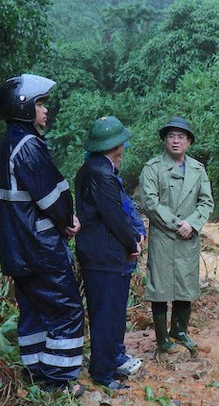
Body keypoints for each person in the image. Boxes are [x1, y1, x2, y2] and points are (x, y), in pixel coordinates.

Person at [0, 73, 85, 396]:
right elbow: (53, 199)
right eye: (41, 104)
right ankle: (58, 384)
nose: (45, 110)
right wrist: (68, 219)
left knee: (33, 313)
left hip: (18, 253)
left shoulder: (5, 146)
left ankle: (36, 379)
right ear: (25, 107)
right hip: (41, 249)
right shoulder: (29, 147)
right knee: (66, 311)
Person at [75, 116, 144, 390]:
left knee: (114, 310)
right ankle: (102, 372)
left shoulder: (92, 168)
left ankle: (114, 357)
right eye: (121, 145)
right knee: (106, 313)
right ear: (115, 146)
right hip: (104, 254)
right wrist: (132, 244)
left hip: (102, 252)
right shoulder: (102, 174)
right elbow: (115, 216)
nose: (123, 150)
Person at [139, 117, 214, 356]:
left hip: (188, 237)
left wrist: (191, 224)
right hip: (163, 235)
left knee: (185, 284)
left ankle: (179, 330)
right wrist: (176, 224)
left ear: (189, 142)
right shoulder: (153, 168)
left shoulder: (197, 169)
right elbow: (149, 202)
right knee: (160, 287)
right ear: (164, 140)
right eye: (171, 136)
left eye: (181, 137)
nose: (175, 140)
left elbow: (206, 202)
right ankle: (162, 338)